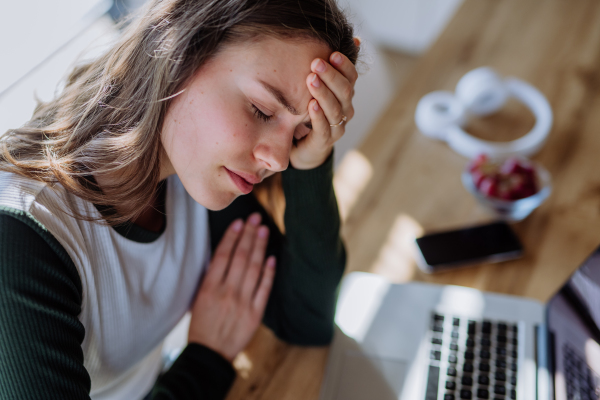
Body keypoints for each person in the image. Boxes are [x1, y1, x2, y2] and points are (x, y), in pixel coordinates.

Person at [0, 0, 360, 399]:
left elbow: (306, 319)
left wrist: (311, 164)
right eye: (260, 110)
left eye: (299, 133)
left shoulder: (192, 172)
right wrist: (206, 359)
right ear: (179, 54)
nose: (277, 159)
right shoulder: (20, 237)